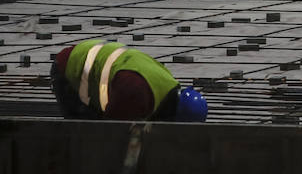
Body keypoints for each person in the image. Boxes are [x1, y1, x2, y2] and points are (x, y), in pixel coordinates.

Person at [50, 39, 208, 122]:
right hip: (69, 68)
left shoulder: (167, 84)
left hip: (89, 56)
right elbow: (110, 132)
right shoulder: (134, 93)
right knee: (84, 136)